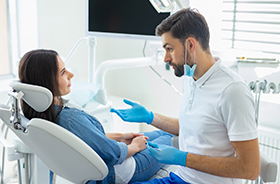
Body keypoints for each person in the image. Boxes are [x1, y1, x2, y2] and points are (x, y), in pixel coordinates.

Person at [110, 8, 260, 184]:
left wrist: (183, 158)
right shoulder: (192, 78)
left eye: (170, 49)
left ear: (190, 45)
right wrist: (150, 117)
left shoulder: (232, 91)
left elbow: (249, 169)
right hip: (180, 177)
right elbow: (194, 128)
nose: (166, 58)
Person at [18, 49, 174, 184]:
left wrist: (121, 136)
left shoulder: (43, 116)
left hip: (102, 168)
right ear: (46, 82)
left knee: (160, 133)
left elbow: (84, 141)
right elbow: (112, 154)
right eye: (63, 72)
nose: (71, 74)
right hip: (120, 171)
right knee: (169, 138)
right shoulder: (70, 118)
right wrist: (134, 147)